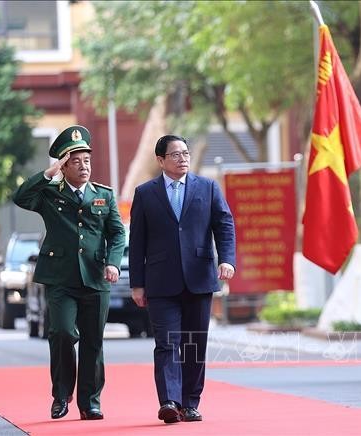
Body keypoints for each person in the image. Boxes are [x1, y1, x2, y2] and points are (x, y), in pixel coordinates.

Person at [13, 125, 126, 421]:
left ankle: (90, 401)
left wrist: (113, 262)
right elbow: (20, 197)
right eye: (75, 161)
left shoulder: (104, 195)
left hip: (95, 276)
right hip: (61, 277)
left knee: (93, 340)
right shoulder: (50, 193)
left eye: (86, 160)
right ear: (64, 165)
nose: (84, 166)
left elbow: (117, 233)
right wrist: (48, 174)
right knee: (62, 333)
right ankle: (61, 395)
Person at [128, 134, 236, 424]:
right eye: (175, 155)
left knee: (194, 343)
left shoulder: (208, 187)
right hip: (160, 282)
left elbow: (224, 224)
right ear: (161, 160)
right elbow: (136, 241)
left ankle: (189, 402)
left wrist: (226, 259)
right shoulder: (145, 193)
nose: (183, 159)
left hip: (199, 279)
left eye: (185, 153)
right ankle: (169, 401)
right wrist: (137, 283)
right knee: (166, 343)